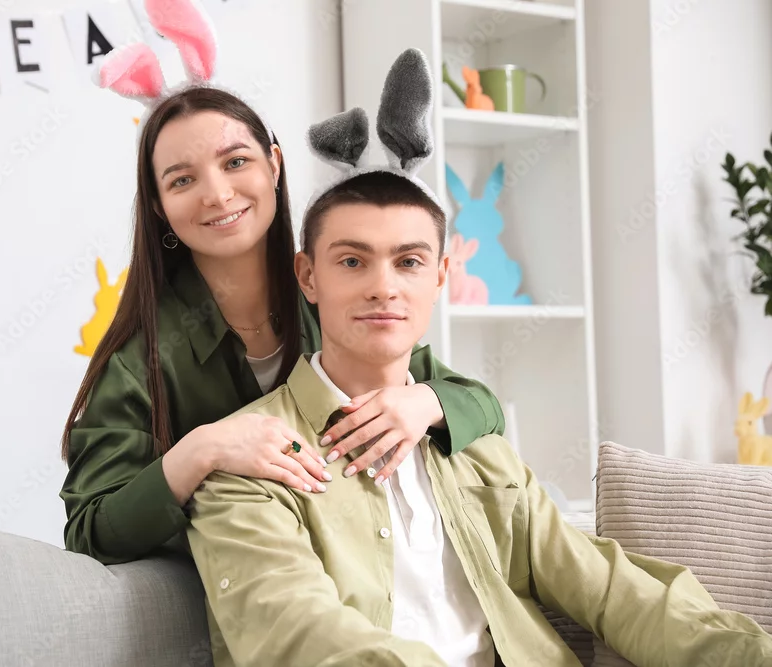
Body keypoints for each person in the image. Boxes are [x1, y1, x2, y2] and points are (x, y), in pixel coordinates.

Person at [185, 49, 772, 667]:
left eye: (409, 262)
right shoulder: (247, 462)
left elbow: (611, 590)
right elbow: (300, 636)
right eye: (352, 261)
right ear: (308, 276)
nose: (384, 287)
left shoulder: (481, 451)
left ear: (441, 275)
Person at [58, 0, 504, 567]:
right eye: (182, 180)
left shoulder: (332, 293)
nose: (217, 194)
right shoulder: (140, 359)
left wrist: (427, 402)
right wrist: (204, 449)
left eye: (235, 162)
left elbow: (482, 406)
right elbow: (90, 531)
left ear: (274, 164)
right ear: (158, 204)